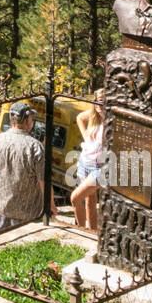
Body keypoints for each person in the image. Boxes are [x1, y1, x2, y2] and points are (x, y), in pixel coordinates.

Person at [0, 103, 48, 234]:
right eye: (31, 119)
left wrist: (3, 176)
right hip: (26, 210)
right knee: (21, 245)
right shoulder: (35, 146)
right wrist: (49, 204)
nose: (32, 122)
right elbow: (42, 180)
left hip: (0, 206)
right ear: (27, 120)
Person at [70, 90, 105, 232]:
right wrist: (85, 136)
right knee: (90, 201)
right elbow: (79, 117)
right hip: (85, 163)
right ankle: (92, 233)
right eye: (97, 101)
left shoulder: (111, 120)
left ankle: (81, 231)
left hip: (99, 167)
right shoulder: (93, 114)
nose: (99, 104)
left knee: (75, 198)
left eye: (103, 101)